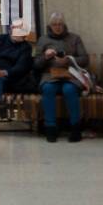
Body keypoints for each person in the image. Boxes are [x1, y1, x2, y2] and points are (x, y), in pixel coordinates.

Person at [33, 12, 89, 142]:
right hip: (50, 74)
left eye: (60, 24)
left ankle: (75, 128)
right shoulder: (43, 39)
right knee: (48, 89)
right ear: (50, 26)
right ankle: (50, 128)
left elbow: (85, 59)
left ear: (64, 25)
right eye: (54, 24)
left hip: (71, 74)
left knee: (69, 90)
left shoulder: (74, 38)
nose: (57, 27)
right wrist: (46, 57)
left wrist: (69, 60)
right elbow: (36, 64)